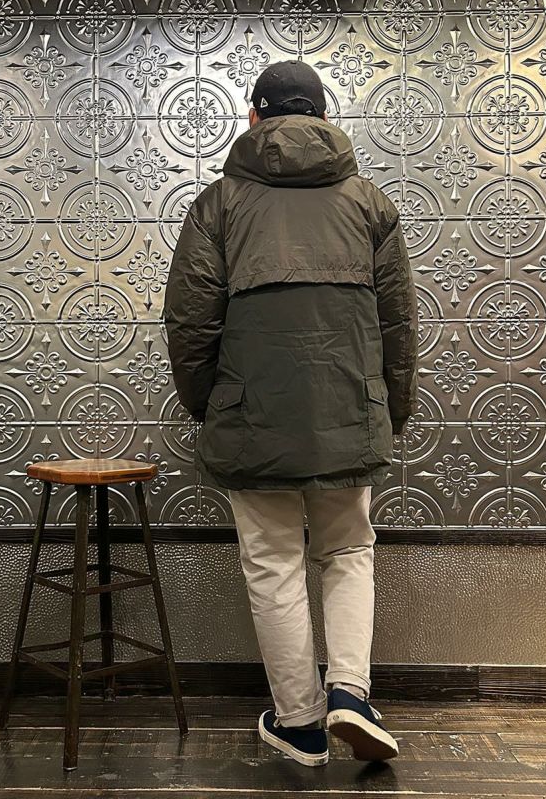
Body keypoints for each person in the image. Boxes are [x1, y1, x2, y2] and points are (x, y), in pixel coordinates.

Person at [163, 60, 418, 767]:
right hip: (349, 410)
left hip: (252, 413)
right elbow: (398, 324)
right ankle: (351, 694)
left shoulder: (218, 204)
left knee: (273, 562)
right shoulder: (369, 203)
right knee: (348, 550)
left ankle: (301, 721)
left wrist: (210, 404)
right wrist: (388, 411)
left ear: (254, 117)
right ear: (325, 118)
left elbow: (190, 322)